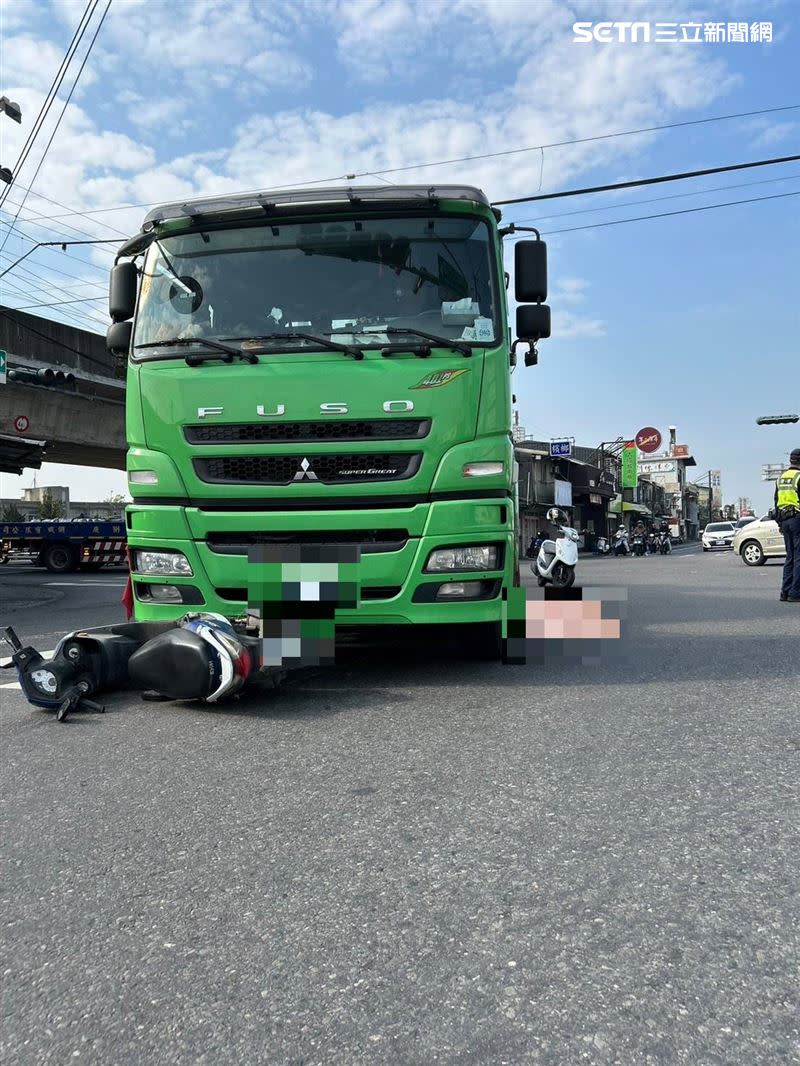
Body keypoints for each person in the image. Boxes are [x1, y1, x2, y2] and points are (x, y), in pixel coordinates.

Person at [774, 448, 800, 602]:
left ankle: (785, 591)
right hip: (797, 519)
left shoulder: (781, 478)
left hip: (785, 521)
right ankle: (795, 592)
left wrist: (779, 522)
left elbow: (776, 502)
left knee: (790, 556)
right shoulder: (799, 477)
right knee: (799, 557)